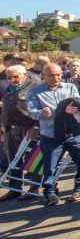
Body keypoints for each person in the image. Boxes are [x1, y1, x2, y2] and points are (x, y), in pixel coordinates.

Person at [28, 63, 80, 205]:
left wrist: (73, 109)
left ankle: (79, 188)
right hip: (51, 135)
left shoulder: (70, 87)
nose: (55, 78)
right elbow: (32, 113)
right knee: (50, 167)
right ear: (43, 76)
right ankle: (50, 193)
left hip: (72, 133)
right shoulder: (35, 92)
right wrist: (43, 113)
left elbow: (77, 104)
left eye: (58, 74)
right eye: (51, 75)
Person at [0, 65, 41, 200]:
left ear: (24, 75)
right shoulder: (9, 89)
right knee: (13, 160)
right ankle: (15, 188)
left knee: (33, 159)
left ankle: (35, 187)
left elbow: (42, 107)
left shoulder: (34, 86)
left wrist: (36, 126)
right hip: (11, 129)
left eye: (16, 76)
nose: (12, 79)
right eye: (9, 77)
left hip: (29, 128)